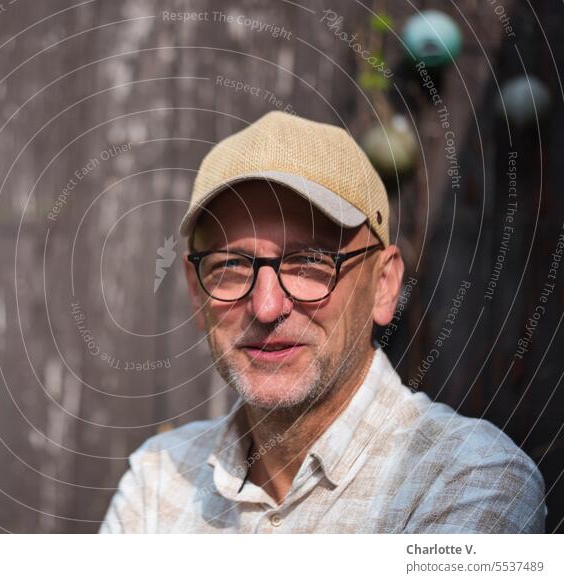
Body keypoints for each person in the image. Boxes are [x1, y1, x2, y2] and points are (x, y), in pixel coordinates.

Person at [100, 111, 546, 533]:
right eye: (231, 267)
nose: (267, 306)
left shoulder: (470, 478)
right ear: (197, 292)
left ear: (384, 285)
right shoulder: (157, 481)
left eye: (311, 262)